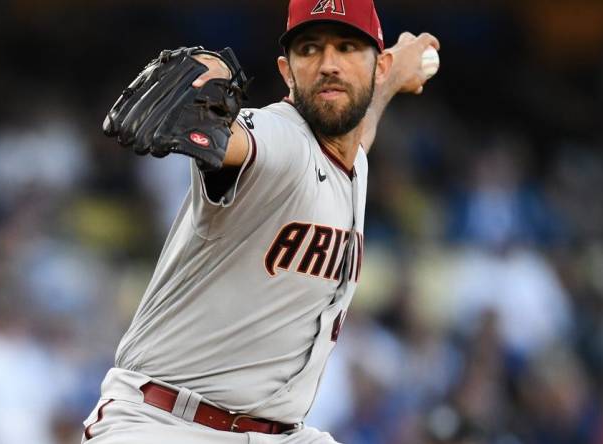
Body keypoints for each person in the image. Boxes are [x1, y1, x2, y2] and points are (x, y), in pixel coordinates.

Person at [83, 0, 439, 442]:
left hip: (281, 434)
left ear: (378, 67)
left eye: (348, 48)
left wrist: (393, 81)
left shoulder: (351, 161)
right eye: (309, 50)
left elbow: (357, 136)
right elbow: (241, 142)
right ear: (287, 72)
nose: (329, 65)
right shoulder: (278, 137)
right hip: (165, 423)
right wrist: (201, 118)